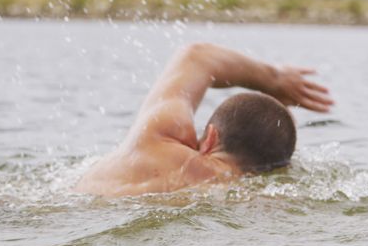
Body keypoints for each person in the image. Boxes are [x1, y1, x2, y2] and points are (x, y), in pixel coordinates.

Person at [75, 43, 334, 197]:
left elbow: (195, 56)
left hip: (70, 210)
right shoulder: (250, 198)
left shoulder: (160, 135)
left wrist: (274, 78)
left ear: (209, 137)